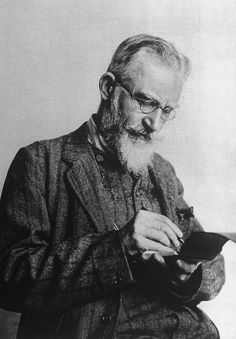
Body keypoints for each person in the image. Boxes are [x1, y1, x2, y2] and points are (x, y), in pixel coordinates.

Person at [0, 34, 225, 339]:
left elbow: (214, 268)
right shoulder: (40, 162)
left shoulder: (162, 171)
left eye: (167, 110)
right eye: (146, 102)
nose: (155, 124)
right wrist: (118, 247)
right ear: (108, 87)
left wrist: (188, 273)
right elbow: (10, 279)